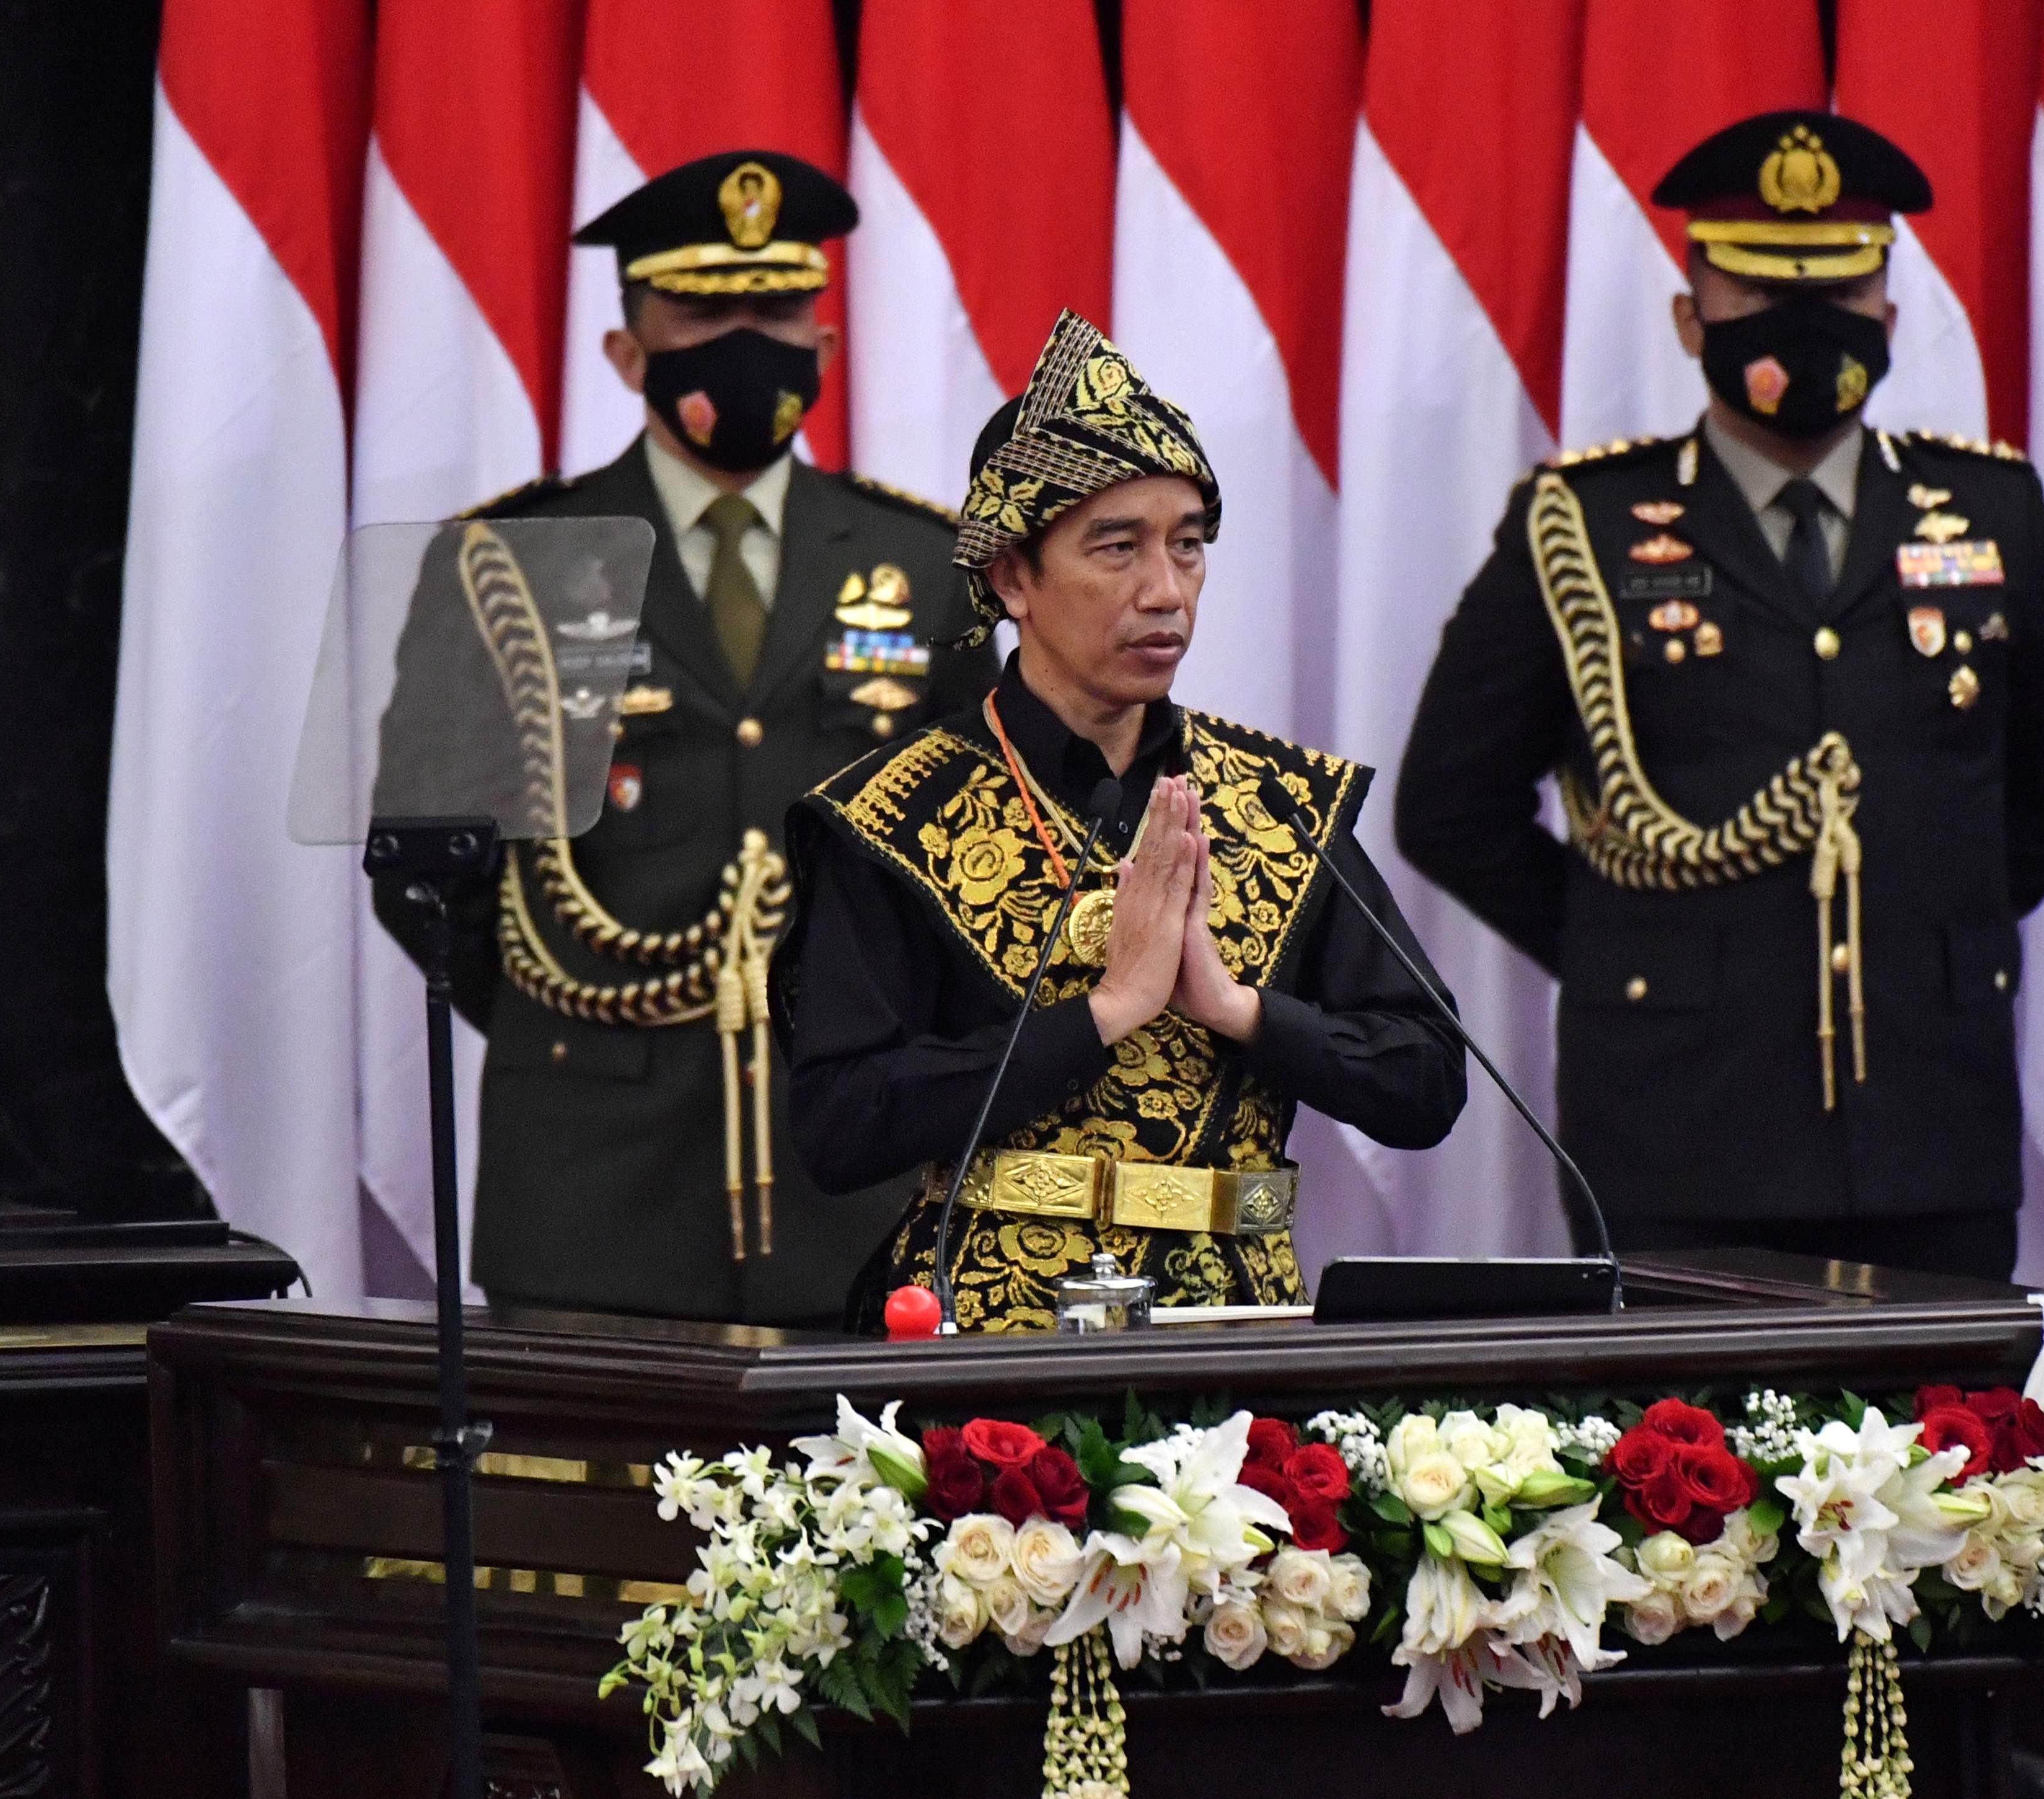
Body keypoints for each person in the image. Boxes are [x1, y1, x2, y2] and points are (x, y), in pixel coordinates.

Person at [1394, 112, 2044, 1282]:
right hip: (1677, 1127)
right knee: (1686, 1457)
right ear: (1690, 318)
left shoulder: (1992, 514)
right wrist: (1633, 942)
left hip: (1929, 1120)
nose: (1806, 325)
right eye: (1757, 292)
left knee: (1956, 1455)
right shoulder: (1580, 526)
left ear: (1887, 318)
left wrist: (1932, 914)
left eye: (1841, 295)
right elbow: (1447, 805)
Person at [372, 150, 993, 1323]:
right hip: (594, 1186)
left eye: (777, 309)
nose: (744, 336)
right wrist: (601, 1020)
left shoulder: (926, 565)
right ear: (627, 349)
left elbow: (977, 856)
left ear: (824, 342)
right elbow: (429, 882)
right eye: (704, 310)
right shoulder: (509, 564)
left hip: (858, 1188)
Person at [772, 311, 1467, 1332]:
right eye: (1117, 547)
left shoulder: (1274, 801)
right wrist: (1099, 1015)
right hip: (989, 1336)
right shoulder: (896, 814)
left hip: (1246, 1331)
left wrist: (1238, 1010)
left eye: (1188, 548)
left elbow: (1428, 1077)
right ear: (1012, 576)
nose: (1165, 592)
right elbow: (842, 1126)